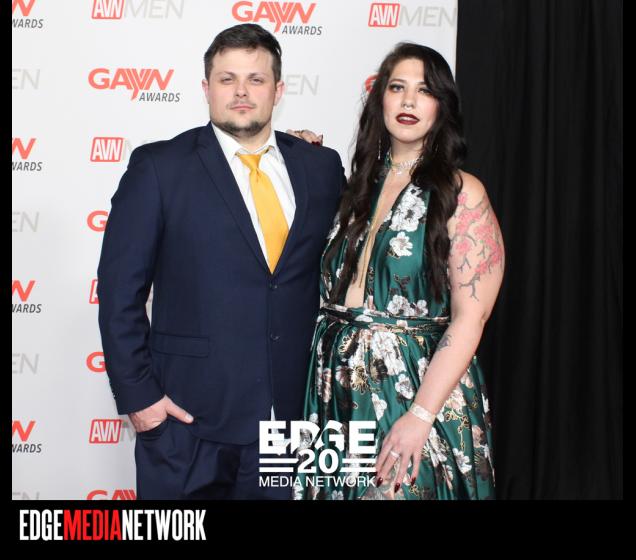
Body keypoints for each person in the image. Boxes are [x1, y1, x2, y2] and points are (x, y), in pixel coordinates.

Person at [97, 23, 344, 500]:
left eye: (256, 79)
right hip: (186, 421)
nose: (241, 92)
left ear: (279, 90)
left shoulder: (321, 167)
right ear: (206, 88)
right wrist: (140, 397)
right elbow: (119, 292)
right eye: (227, 79)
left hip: (287, 422)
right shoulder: (159, 168)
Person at [294, 43, 504, 500]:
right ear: (380, 100)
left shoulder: (461, 193)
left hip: (416, 387)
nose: (408, 101)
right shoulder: (355, 188)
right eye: (397, 88)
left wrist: (420, 416)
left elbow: (471, 318)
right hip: (334, 389)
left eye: (424, 91)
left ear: (442, 106)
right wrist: (294, 151)